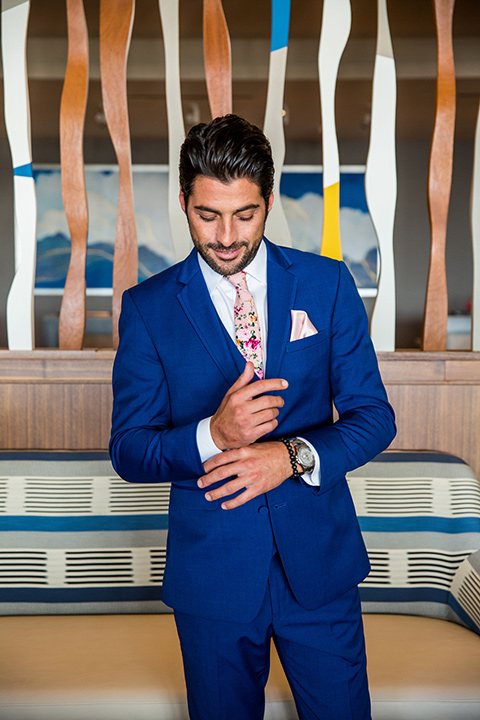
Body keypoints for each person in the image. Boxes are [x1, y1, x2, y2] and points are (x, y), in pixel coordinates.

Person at [109, 114, 396, 720]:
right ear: (184, 201)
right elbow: (129, 450)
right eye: (207, 215)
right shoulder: (148, 309)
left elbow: (374, 417)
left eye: (246, 214)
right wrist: (211, 434)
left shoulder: (327, 284)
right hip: (211, 577)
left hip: (320, 567)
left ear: (267, 200)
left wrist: (289, 457)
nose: (226, 236)